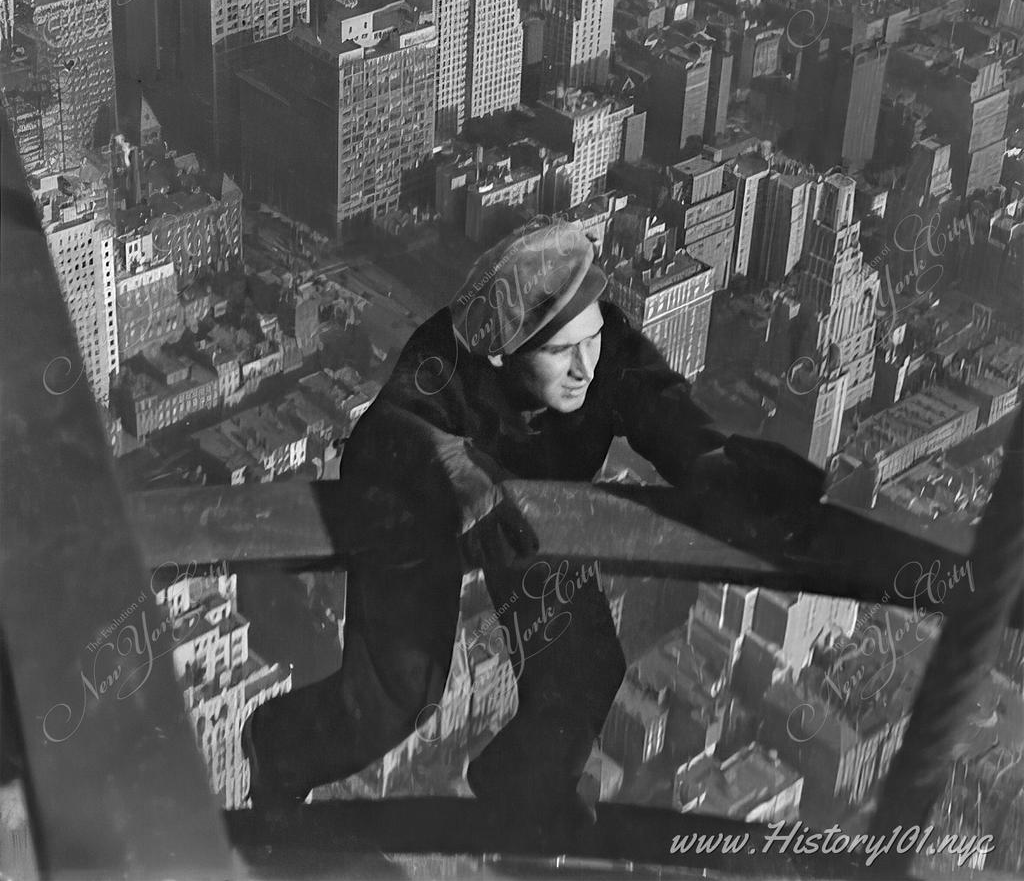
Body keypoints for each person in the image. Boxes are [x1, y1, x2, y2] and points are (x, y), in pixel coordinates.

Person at [243, 220, 824, 831]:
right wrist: (454, 470)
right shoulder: (447, 356)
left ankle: (521, 782)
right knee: (398, 699)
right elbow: (386, 430)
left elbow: (667, 412)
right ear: (501, 352)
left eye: (592, 338)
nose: (585, 368)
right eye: (558, 351)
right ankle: (279, 746)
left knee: (586, 669)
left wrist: (728, 475)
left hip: (532, 517)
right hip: (425, 514)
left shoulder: (611, 349)